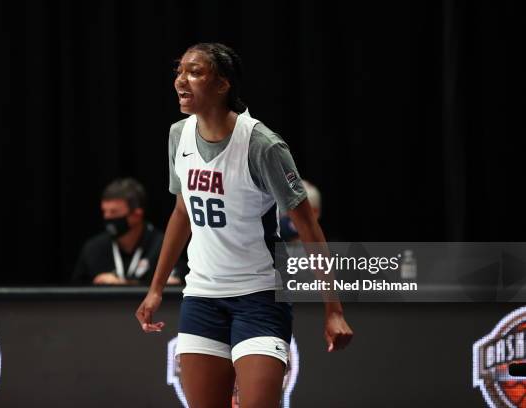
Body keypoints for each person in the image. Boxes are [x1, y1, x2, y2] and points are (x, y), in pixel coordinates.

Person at [136, 43, 353, 407]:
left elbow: (309, 229)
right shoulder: (179, 135)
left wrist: (333, 310)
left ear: (222, 85)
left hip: (259, 297)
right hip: (202, 296)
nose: (180, 80)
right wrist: (156, 288)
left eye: (194, 71)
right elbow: (181, 212)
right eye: (179, 71)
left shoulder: (262, 144)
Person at [72, 178, 184, 285]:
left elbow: (174, 285)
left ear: (137, 215)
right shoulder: (93, 249)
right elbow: (76, 295)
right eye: (104, 212)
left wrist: (119, 284)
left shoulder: (164, 247)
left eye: (114, 212)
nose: (107, 217)